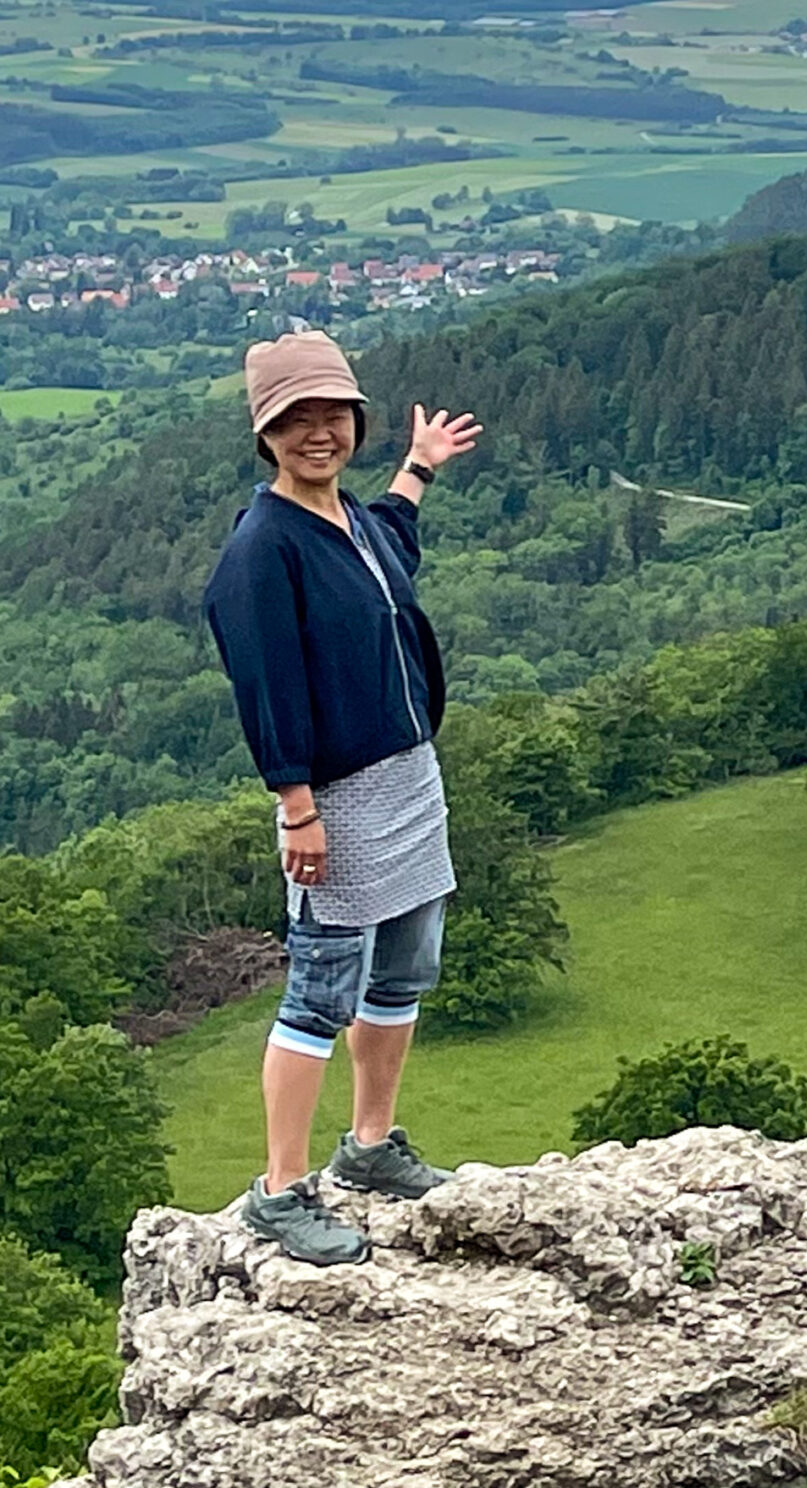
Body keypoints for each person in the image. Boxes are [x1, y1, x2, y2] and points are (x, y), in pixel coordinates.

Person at [202, 329, 481, 1265]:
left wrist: (418, 469)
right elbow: (268, 689)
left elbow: (390, 549)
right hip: (339, 800)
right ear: (265, 433)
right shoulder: (261, 552)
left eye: (332, 414)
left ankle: (368, 1148)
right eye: (295, 419)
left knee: (403, 972)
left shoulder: (351, 518)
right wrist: (298, 807)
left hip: (409, 781)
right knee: (319, 992)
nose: (317, 433)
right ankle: (279, 1193)